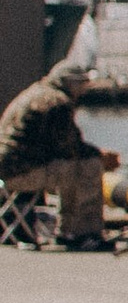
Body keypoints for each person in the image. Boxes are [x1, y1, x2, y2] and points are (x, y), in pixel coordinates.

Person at [0, 59, 117, 246]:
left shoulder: (34, 92)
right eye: (82, 84)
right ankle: (81, 233)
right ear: (71, 83)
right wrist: (102, 156)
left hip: (6, 170)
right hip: (23, 172)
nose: (84, 90)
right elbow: (68, 147)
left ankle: (70, 229)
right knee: (89, 167)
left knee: (72, 168)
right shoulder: (57, 102)